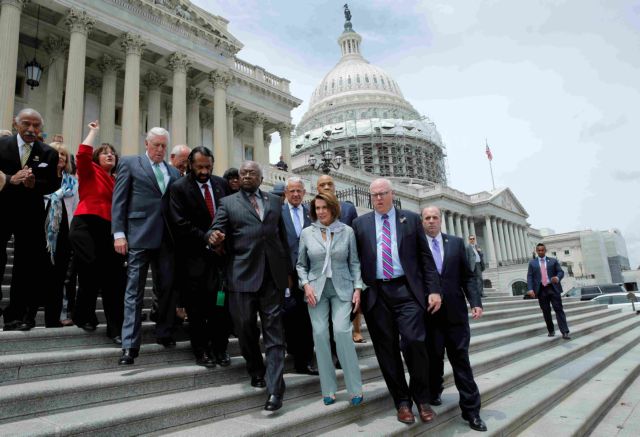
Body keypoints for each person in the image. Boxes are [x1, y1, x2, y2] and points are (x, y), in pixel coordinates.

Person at [351, 178, 441, 424]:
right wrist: (356, 290)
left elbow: (426, 258)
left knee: (414, 342)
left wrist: (434, 290)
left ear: (392, 194)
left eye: (383, 193)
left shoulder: (411, 219)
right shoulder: (360, 224)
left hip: (406, 291)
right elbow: (355, 261)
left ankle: (422, 398)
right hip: (376, 294)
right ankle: (402, 402)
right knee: (386, 351)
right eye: (374, 195)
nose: (378, 198)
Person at [207, 160, 290, 412]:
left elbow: (282, 240)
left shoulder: (275, 202)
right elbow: (215, 230)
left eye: (251, 173)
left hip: (271, 278)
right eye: (242, 173)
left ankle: (276, 390)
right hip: (242, 277)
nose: (246, 176)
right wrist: (213, 237)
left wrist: (287, 273)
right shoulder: (228, 203)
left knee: (275, 334)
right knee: (244, 329)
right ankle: (256, 369)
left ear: (260, 177)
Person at [112, 127, 180, 364]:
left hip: (166, 240)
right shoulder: (130, 163)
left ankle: (164, 332)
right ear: (147, 144)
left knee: (167, 288)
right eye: (156, 145)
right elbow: (119, 200)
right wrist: (118, 233)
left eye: (164, 146)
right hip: (138, 236)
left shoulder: (174, 173)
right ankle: (130, 346)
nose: (160, 149)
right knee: (134, 292)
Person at [422, 206, 487, 432]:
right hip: (429, 315)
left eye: (435, 217)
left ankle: (472, 411)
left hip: (456, 314)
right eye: (427, 218)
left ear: (441, 220)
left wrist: (475, 302)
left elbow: (468, 277)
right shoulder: (416, 245)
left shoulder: (457, 243)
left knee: (461, 361)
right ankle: (435, 390)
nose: (431, 221)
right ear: (422, 221)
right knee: (433, 357)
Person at [297, 192, 364, 406]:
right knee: (319, 334)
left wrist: (358, 287)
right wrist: (305, 284)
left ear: (333, 208)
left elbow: (354, 262)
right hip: (315, 290)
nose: (321, 211)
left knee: (342, 331)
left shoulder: (347, 231)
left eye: (325, 207)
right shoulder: (307, 233)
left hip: (342, 288)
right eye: (317, 208)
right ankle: (328, 388)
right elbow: (301, 264)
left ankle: (355, 388)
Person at [168, 146, 232, 368]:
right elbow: (179, 223)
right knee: (197, 310)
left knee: (220, 308)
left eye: (208, 166)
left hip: (220, 260)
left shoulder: (221, 185)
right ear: (190, 165)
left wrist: (222, 239)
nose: (204, 171)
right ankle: (201, 350)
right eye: (199, 167)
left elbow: (229, 215)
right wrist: (207, 238)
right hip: (193, 261)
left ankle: (220, 349)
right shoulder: (178, 188)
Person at [0, 108, 60, 331]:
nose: (32, 129)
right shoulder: (2, 145)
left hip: (30, 215)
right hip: (2, 210)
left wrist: (35, 184)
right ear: (16, 124)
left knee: (25, 266)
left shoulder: (48, 153)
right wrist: (9, 179)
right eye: (27, 124)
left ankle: (15, 314)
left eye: (36, 126)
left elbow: (53, 186)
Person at [69, 122, 125, 344]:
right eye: (104, 153)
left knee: (113, 279)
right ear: (97, 158)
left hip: (109, 230)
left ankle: (116, 329)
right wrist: (93, 131)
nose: (109, 155)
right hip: (86, 225)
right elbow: (82, 153)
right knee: (90, 270)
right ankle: (84, 316)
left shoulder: (117, 180)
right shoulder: (89, 171)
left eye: (112, 153)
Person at [316, 174, 364, 345]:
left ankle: (356, 330)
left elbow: (356, 233)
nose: (327, 187)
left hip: (346, 262)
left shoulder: (348, 209)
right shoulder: (316, 209)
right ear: (317, 189)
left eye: (330, 184)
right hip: (323, 266)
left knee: (352, 297)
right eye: (323, 184)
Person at [281, 177, 317, 376]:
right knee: (289, 315)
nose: (295, 194)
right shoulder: (278, 213)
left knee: (306, 317)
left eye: (299, 191)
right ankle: (292, 351)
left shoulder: (311, 214)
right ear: (286, 193)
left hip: (308, 275)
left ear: (304, 193)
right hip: (286, 275)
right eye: (292, 191)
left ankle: (305, 360)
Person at [43, 142, 78, 327]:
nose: (61, 157)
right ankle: (28, 316)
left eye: (64, 154)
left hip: (65, 233)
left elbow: (75, 207)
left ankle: (54, 317)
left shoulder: (72, 183)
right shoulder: (42, 178)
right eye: (57, 153)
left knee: (59, 277)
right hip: (43, 233)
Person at [526, 243, 570, 340]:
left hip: (553, 288)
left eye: (542, 250)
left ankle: (565, 332)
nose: (541, 252)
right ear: (536, 251)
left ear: (545, 251)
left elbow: (560, 272)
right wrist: (530, 289)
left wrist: (557, 278)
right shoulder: (532, 263)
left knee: (558, 309)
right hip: (541, 290)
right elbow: (530, 276)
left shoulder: (553, 261)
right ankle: (551, 330)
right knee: (546, 311)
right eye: (539, 250)